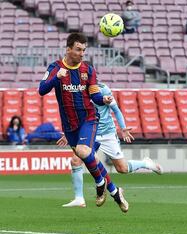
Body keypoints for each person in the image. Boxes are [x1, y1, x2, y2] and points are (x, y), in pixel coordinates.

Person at [38, 33, 128, 212]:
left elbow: (95, 95)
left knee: (82, 151)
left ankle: (100, 182)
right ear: (68, 49)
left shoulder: (88, 70)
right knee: (89, 158)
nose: (81, 53)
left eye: (84, 50)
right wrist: (57, 78)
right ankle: (115, 191)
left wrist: (105, 100)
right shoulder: (55, 67)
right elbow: (42, 90)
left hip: (88, 118)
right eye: (78, 49)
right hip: (69, 125)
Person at [58, 82, 163, 208]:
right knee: (76, 161)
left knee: (122, 169)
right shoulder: (76, 91)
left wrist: (123, 128)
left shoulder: (102, 90)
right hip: (91, 133)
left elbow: (116, 110)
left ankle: (146, 164)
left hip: (107, 134)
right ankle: (79, 198)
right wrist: (68, 133)